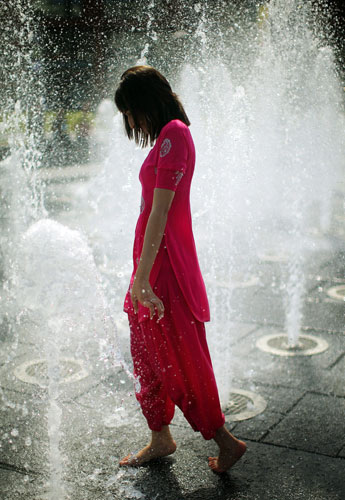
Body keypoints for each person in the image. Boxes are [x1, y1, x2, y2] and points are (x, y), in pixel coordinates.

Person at [114, 65, 246, 473]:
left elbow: (161, 211)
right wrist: (140, 274)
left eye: (131, 112)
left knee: (181, 356)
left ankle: (225, 441)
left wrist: (143, 278)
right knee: (147, 353)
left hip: (165, 270)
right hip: (150, 267)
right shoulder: (166, 140)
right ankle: (160, 436)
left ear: (146, 102)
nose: (131, 123)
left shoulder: (175, 134)